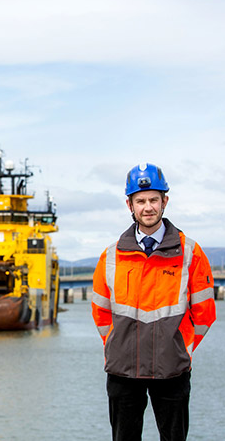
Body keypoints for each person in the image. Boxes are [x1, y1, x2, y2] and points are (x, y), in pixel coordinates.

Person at [91, 163, 216, 441]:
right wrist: (117, 343)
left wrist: (180, 348)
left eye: (153, 200)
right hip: (123, 371)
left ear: (164, 202)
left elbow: (205, 313)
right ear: (130, 205)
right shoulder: (111, 257)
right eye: (141, 201)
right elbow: (101, 312)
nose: (148, 207)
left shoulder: (190, 253)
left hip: (172, 370)